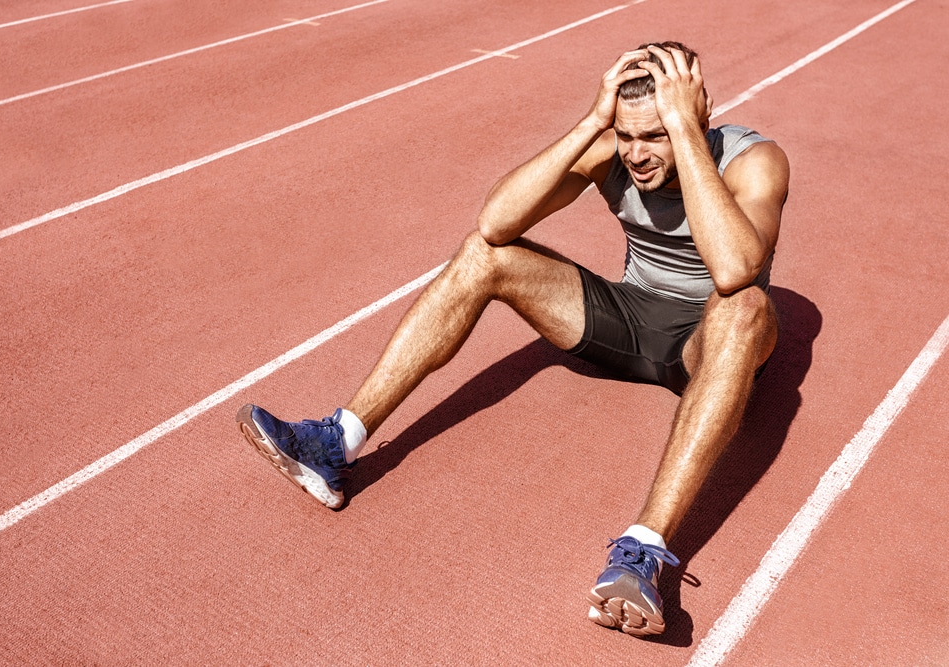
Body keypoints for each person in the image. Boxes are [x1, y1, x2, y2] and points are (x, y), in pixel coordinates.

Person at [236, 41, 789, 637]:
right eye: (626, 136)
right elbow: (496, 222)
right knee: (482, 255)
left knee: (747, 307)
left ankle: (643, 553)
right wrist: (593, 122)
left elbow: (734, 271)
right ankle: (336, 443)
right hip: (629, 315)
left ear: (696, 114)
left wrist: (684, 134)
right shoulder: (612, 149)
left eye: (653, 135)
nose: (636, 155)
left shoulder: (753, 161)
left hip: (707, 340)